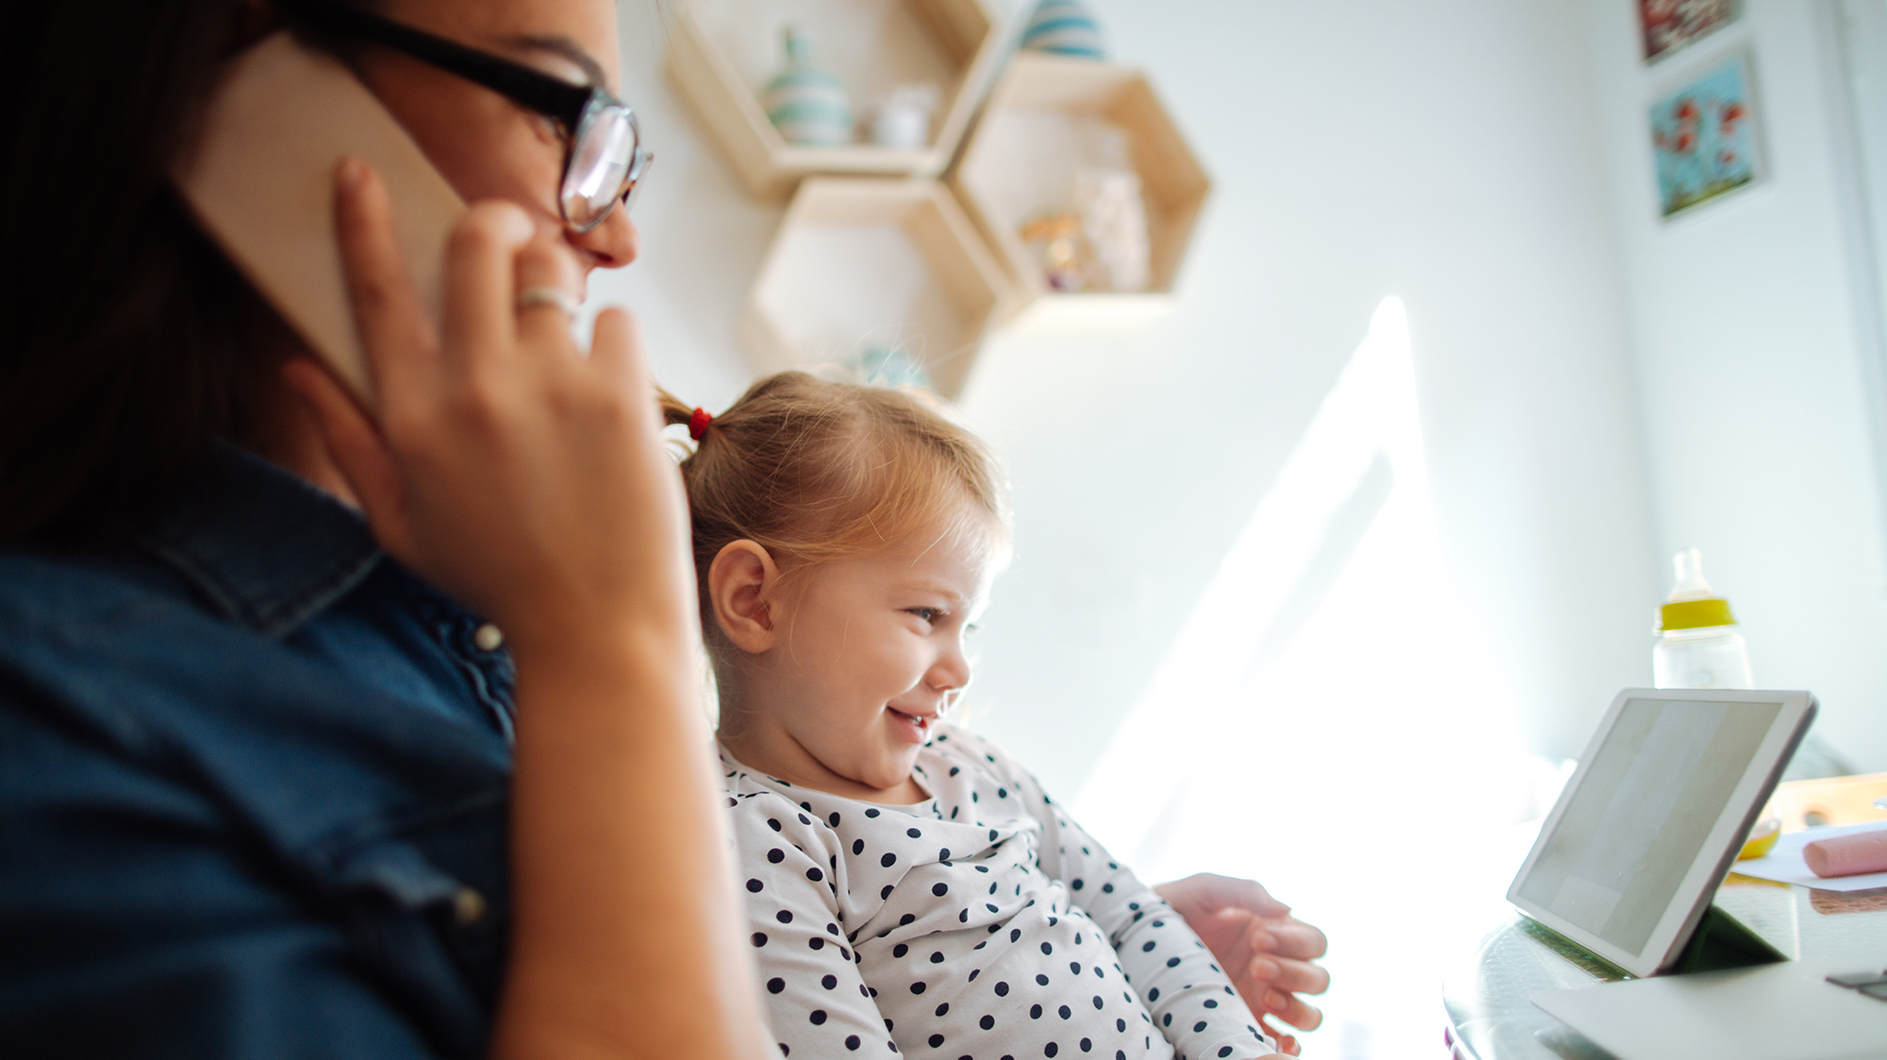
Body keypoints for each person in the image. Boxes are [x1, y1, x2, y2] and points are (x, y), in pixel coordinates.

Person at [0, 1, 772, 1056]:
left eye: (622, 164)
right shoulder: (50, 717)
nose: (614, 233)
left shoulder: (469, 602)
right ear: (245, 85)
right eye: (570, 121)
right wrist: (614, 642)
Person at [661, 374, 1324, 1058]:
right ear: (754, 602)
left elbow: (1134, 919)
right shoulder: (754, 839)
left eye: (967, 629)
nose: (960, 671)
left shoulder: (968, 762)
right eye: (926, 614)